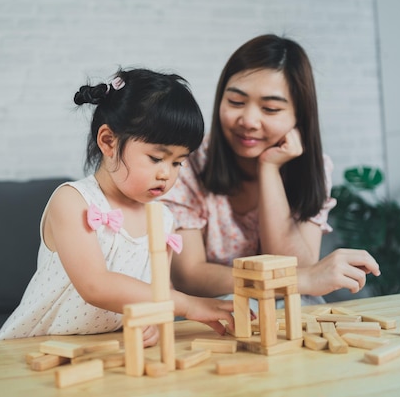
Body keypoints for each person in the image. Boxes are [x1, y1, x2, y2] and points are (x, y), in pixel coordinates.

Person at [0, 68, 235, 346]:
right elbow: (95, 285)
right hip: (39, 346)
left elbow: (157, 290)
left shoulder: (163, 218)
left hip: (106, 349)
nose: (167, 174)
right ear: (108, 141)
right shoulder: (73, 201)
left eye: (178, 162)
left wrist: (154, 322)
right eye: (157, 158)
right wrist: (185, 304)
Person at [160, 34, 381, 306]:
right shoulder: (188, 162)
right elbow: (189, 276)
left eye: (271, 108)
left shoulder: (314, 166)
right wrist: (298, 279)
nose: (249, 121)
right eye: (236, 103)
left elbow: (298, 264)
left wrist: (269, 169)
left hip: (285, 306)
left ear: (299, 115)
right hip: (211, 310)